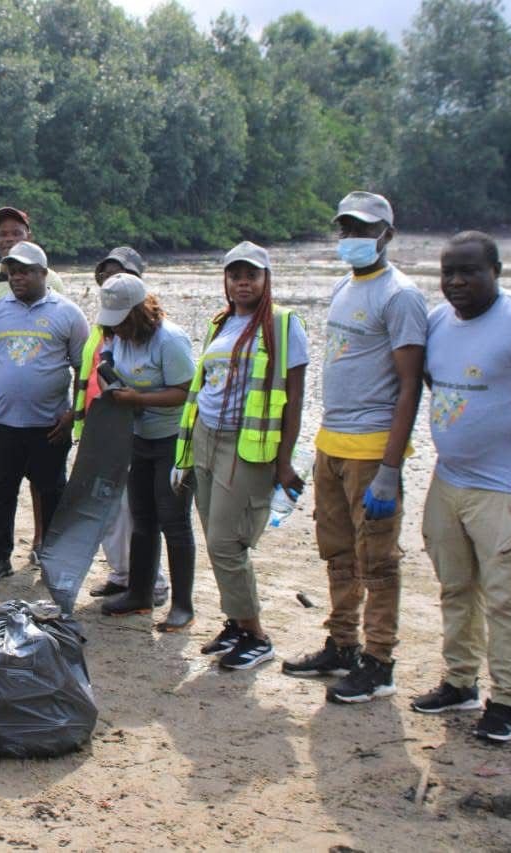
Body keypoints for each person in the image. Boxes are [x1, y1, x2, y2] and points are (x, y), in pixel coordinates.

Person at [282, 192, 427, 703]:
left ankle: (379, 661)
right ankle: (342, 644)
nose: (352, 239)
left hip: (371, 451)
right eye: (345, 229)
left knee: (379, 560)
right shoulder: (346, 285)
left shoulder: (401, 295)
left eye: (363, 230)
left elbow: (410, 384)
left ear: (387, 234)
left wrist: (390, 467)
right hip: (333, 444)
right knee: (338, 553)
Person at [412, 231, 511, 742]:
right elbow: (436, 383)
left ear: (497, 271)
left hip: (508, 491)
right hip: (449, 482)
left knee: (509, 599)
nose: (456, 282)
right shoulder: (437, 321)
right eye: (448, 272)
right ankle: (459, 680)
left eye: (468, 271)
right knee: (455, 588)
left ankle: (509, 700)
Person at [176, 243, 309, 668]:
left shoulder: (284, 325)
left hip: (247, 445)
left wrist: (284, 461)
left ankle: (257, 635)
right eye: (235, 275)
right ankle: (235, 623)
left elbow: (295, 398)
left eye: (251, 274)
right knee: (216, 541)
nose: (243, 282)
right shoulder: (223, 322)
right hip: (205, 438)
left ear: (267, 279)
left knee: (226, 542)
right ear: (226, 282)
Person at [0, 240, 88, 584]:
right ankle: (0, 558)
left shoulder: (68, 313)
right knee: (1, 494)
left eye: (25, 272)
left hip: (50, 426)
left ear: (43, 274)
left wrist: (73, 414)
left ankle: (50, 559)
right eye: (12, 272)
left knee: (52, 494)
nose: (17, 278)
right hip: (3, 425)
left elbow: (84, 369)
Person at [93, 274, 197, 629]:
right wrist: (113, 386)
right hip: (138, 438)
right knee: (142, 518)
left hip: (172, 440)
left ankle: (183, 604)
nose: (116, 329)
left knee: (174, 520)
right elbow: (108, 364)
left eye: (121, 321)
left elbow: (186, 392)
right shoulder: (120, 338)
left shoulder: (170, 340)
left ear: (139, 312)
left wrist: (139, 399)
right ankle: (139, 593)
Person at [0, 206, 66, 559]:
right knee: (1, 482)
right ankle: (0, 547)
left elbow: (77, 360)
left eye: (15, 233)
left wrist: (70, 411)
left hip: (45, 414)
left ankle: (42, 543)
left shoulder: (54, 287)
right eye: (2, 234)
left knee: (45, 484)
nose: (8, 239)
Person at [81, 247, 168, 607]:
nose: (109, 283)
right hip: (101, 425)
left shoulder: (150, 330)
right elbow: (86, 375)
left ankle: (152, 581)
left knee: (138, 506)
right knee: (109, 504)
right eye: (104, 276)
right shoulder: (101, 327)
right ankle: (121, 573)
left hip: (136, 429)